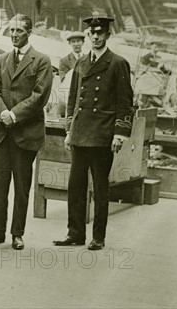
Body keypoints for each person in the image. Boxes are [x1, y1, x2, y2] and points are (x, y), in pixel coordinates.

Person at [54, 14, 134, 251]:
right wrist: (70, 129)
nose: (96, 37)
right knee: (76, 186)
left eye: (100, 33)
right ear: (89, 36)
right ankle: (75, 233)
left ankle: (98, 236)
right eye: (93, 34)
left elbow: (125, 102)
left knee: (100, 188)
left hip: (103, 135)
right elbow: (73, 99)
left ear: (108, 35)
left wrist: (120, 133)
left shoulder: (118, 63)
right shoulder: (81, 64)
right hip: (80, 133)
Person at [0, 14, 53, 250]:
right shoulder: (2, 60)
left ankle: (17, 233)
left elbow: (40, 95)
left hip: (25, 134)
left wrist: (14, 114)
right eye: (11, 30)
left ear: (29, 32)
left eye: (19, 31)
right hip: (2, 133)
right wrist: (2, 113)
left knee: (22, 187)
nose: (14, 34)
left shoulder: (41, 61)